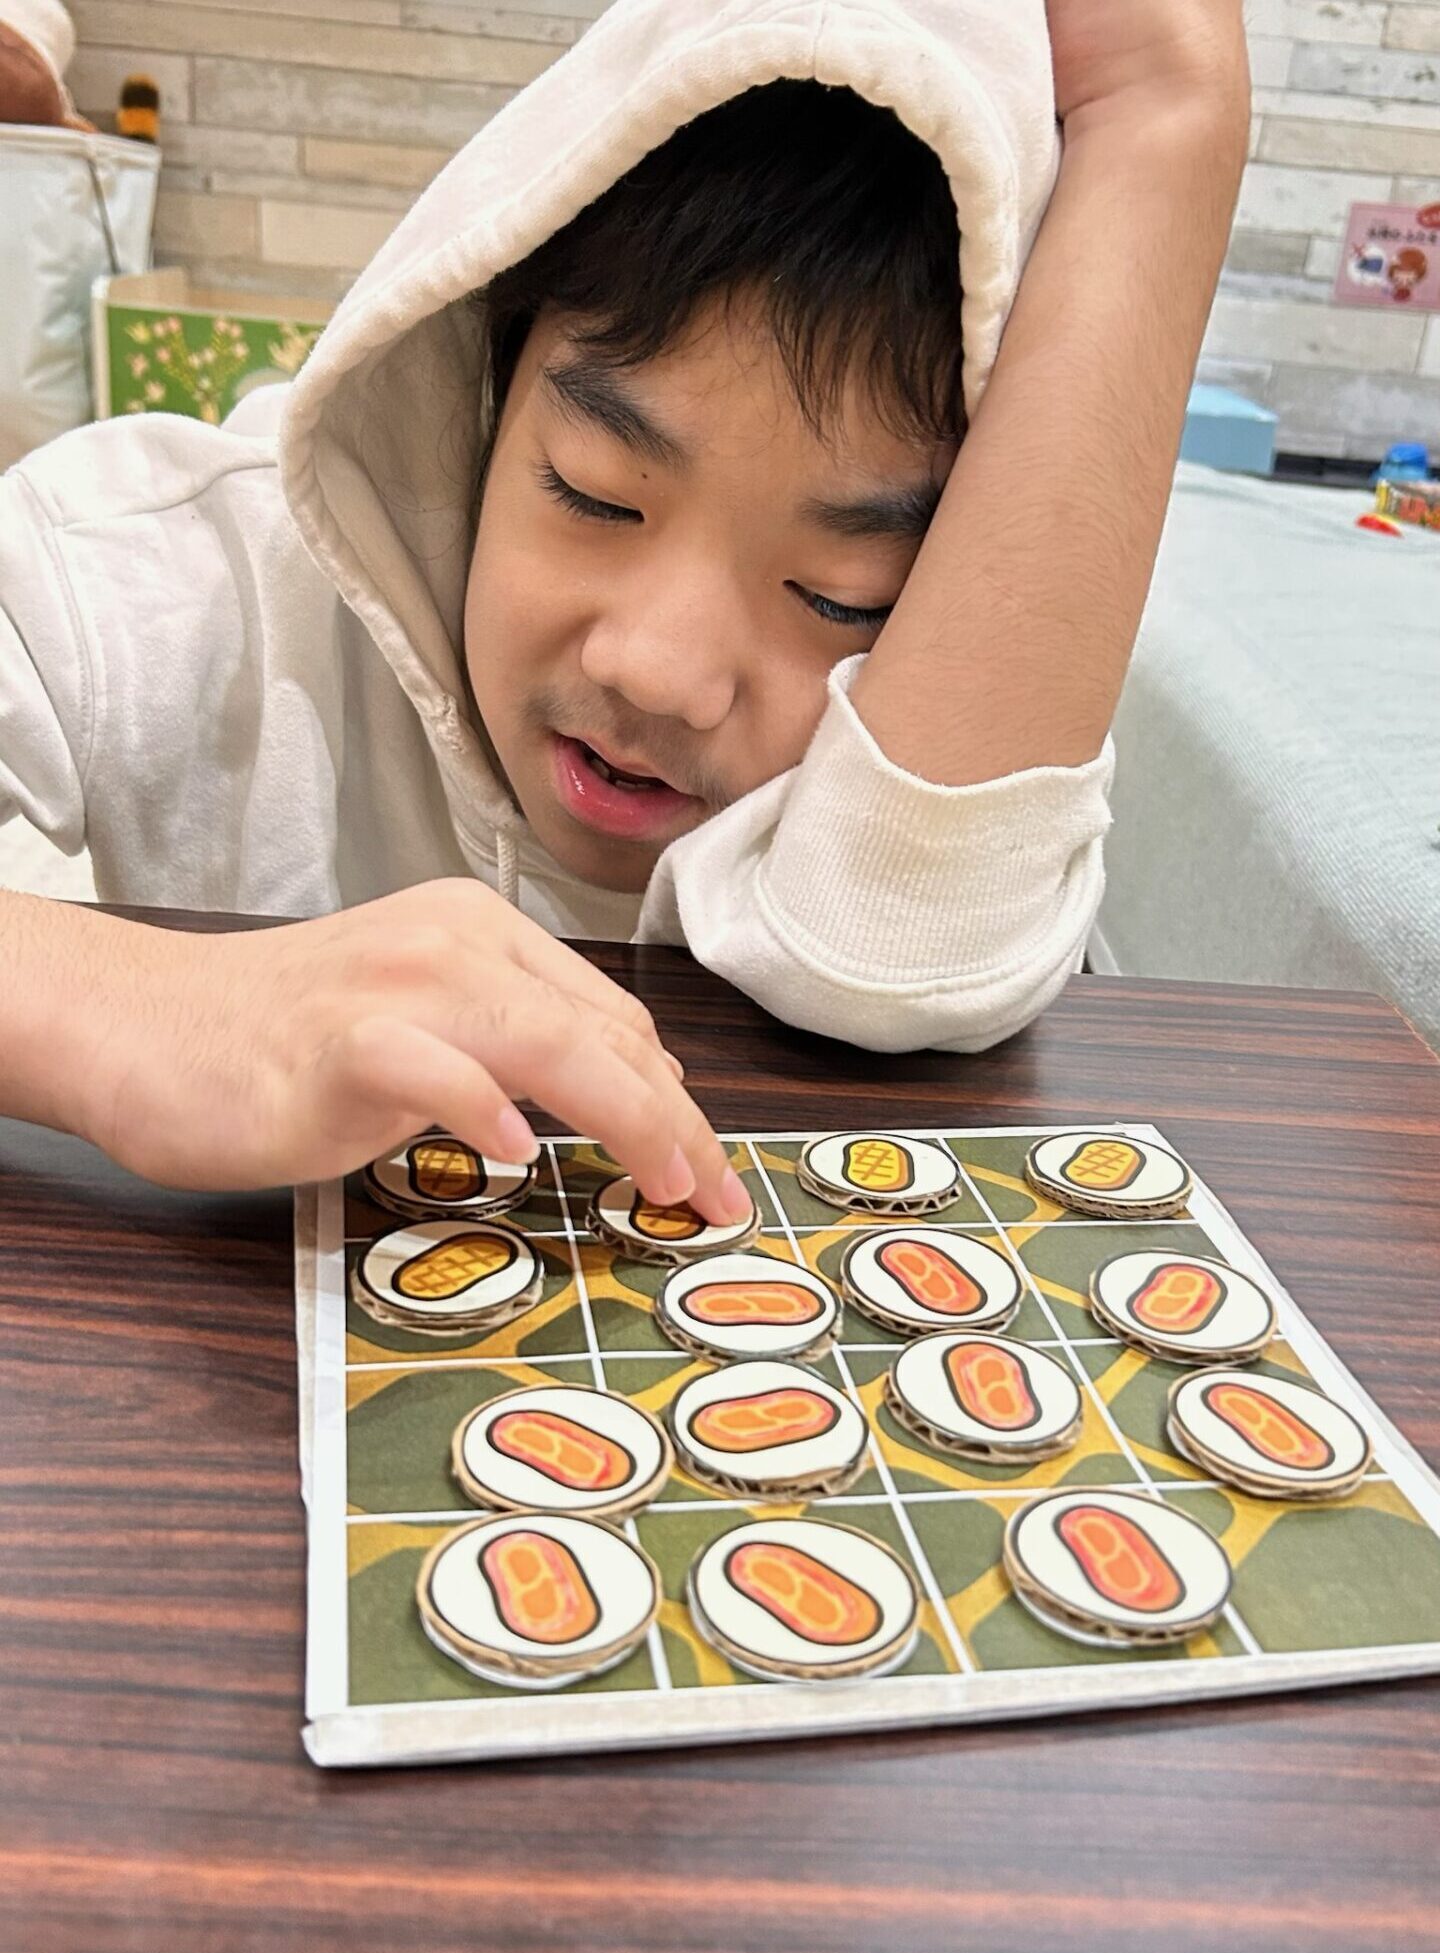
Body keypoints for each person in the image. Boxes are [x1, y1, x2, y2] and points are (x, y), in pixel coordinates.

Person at [0, 0, 1249, 1213]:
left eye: (838, 597)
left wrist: (1168, 126)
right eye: (593, 493)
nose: (657, 669)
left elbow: (908, 948)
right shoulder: (192, 571)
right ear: (484, 386)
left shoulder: (952, 729)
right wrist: (151, 1008)